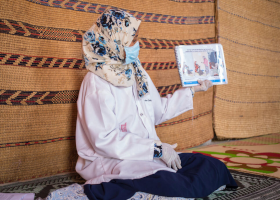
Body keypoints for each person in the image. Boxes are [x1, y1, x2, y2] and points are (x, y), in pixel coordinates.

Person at [76, 9, 237, 200]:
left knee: (214, 167)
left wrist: (193, 90)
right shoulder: (96, 82)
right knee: (177, 184)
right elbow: (104, 141)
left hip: (147, 154)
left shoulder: (136, 70)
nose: (136, 44)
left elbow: (157, 111)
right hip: (111, 159)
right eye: (132, 38)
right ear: (114, 40)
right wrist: (157, 149)